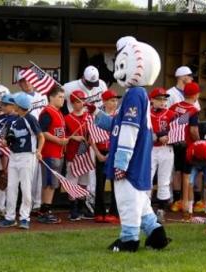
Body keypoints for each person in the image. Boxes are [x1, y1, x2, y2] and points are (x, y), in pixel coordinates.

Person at [98, 37, 169, 252]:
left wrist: (121, 163)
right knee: (140, 202)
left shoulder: (134, 95)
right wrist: (98, 117)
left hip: (131, 160)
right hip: (138, 158)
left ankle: (129, 240)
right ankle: (157, 235)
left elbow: (129, 131)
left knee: (128, 200)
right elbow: (121, 126)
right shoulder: (136, 94)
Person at [0, 92, 44, 229]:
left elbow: (41, 136)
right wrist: (5, 142)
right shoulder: (12, 120)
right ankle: (10, 217)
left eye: (15, 104)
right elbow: (6, 138)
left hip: (27, 156)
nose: (14, 105)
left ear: (20, 106)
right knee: (11, 187)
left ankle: (24, 218)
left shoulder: (30, 119)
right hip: (14, 155)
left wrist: (39, 150)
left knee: (25, 188)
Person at [168, 82, 200, 220]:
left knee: (177, 171)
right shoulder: (193, 110)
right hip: (187, 145)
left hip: (174, 144)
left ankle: (176, 201)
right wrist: (199, 141)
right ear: (196, 95)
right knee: (187, 174)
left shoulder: (175, 106)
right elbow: (193, 130)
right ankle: (188, 202)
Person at [17, 71, 48, 211]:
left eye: (28, 80)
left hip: (42, 135)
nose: (26, 83)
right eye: (23, 81)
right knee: (28, 173)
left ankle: (37, 203)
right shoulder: (18, 98)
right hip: (27, 136)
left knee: (39, 173)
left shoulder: (43, 96)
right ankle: (27, 204)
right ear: (19, 84)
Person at [37, 88, 67, 224]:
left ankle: (46, 209)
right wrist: (58, 140)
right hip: (49, 153)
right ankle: (45, 210)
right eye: (60, 97)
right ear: (51, 97)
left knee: (53, 183)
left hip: (58, 153)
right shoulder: (47, 112)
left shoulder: (59, 112)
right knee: (49, 183)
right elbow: (42, 132)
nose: (63, 99)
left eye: (63, 97)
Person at [64, 90, 95, 221]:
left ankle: (82, 207)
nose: (80, 103)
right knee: (72, 182)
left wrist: (90, 138)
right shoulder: (67, 118)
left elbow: (94, 132)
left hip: (86, 154)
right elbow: (63, 137)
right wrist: (73, 137)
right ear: (72, 103)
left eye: (82, 100)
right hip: (73, 154)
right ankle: (73, 208)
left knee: (84, 183)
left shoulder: (88, 116)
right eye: (77, 101)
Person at [93, 89, 121, 223]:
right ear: (104, 101)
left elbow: (120, 136)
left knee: (116, 182)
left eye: (116, 100)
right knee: (100, 183)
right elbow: (91, 136)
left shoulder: (119, 115)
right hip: (100, 152)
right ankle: (99, 212)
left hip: (114, 152)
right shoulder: (97, 114)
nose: (115, 103)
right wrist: (97, 153)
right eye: (112, 100)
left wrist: (111, 153)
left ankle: (114, 212)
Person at [149, 87, 176, 222]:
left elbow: (178, 132)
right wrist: (158, 136)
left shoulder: (171, 114)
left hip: (166, 149)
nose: (162, 101)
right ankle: (146, 209)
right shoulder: (146, 114)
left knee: (164, 181)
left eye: (164, 99)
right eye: (159, 99)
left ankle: (161, 211)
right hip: (150, 149)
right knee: (147, 179)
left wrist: (168, 137)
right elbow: (145, 132)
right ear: (152, 100)